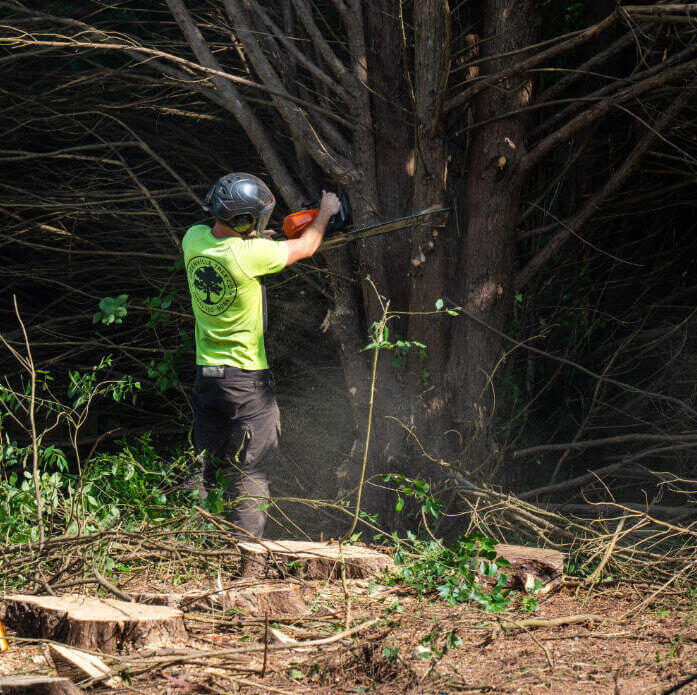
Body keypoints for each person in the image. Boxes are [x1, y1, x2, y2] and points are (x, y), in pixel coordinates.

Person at [182, 172, 340, 540]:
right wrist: (326, 213)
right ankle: (247, 557)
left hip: (208, 376)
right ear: (243, 222)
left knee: (201, 465)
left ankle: (188, 539)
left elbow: (231, 246)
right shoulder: (251, 256)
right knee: (252, 470)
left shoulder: (193, 240)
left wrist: (252, 238)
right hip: (247, 382)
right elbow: (307, 247)